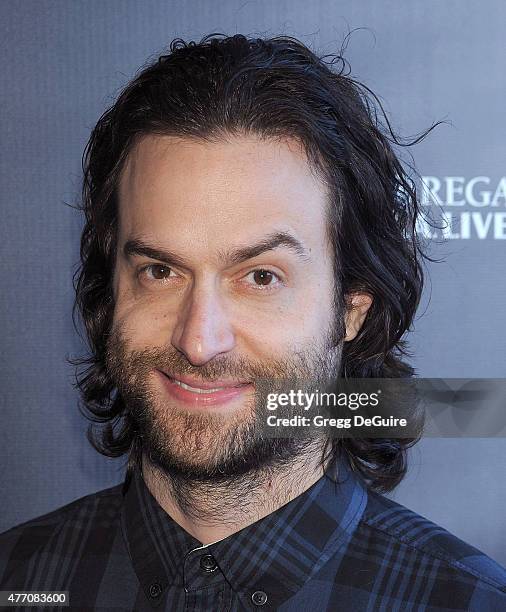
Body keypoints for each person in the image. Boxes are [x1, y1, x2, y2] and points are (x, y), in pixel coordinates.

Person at [1, 34, 504, 611]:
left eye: (261, 277)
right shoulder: (17, 575)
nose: (198, 340)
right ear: (108, 288)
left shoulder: (467, 601)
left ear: (351, 310)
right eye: (161, 271)